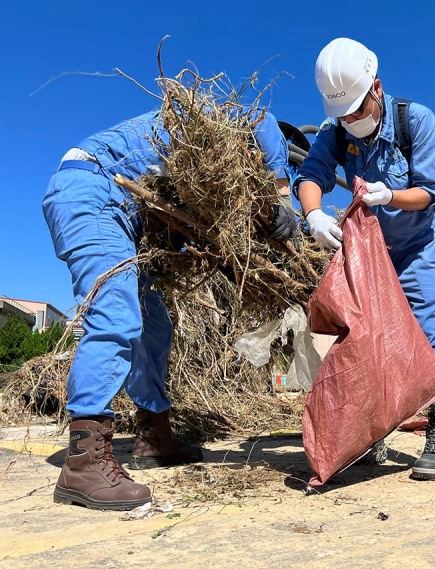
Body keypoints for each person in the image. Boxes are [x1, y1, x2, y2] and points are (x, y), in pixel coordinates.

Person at [42, 108, 292, 511]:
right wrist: (282, 189)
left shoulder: (189, 172)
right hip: (95, 191)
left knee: (154, 325)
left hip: (120, 211)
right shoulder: (209, 123)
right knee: (115, 314)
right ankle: (83, 462)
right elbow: (261, 115)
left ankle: (154, 433)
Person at [294, 38, 435, 481]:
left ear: (377, 89)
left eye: (357, 110)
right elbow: (310, 175)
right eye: (342, 115)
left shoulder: (416, 121)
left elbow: (431, 193)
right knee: (364, 335)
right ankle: (372, 430)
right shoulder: (336, 133)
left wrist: (391, 196)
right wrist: (312, 215)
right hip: (372, 252)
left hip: (420, 244)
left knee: (425, 330)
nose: (351, 121)